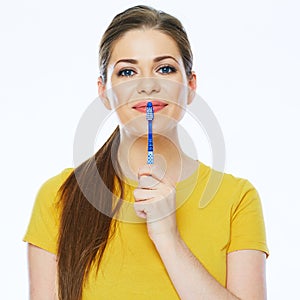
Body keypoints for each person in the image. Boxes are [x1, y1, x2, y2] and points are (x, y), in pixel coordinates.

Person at [24, 5, 269, 300]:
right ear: (104, 92)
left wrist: (168, 238)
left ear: (190, 86)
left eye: (165, 69)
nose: (148, 85)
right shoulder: (59, 197)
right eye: (127, 71)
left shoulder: (237, 199)